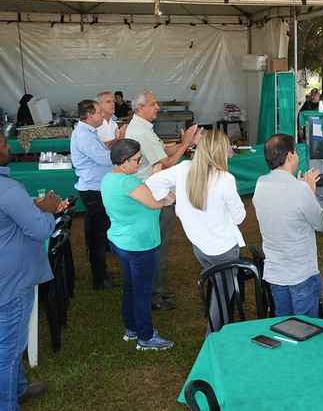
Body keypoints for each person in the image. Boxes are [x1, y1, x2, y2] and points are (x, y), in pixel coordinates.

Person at [146, 130, 246, 331]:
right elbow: (240, 217)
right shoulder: (225, 179)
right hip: (224, 248)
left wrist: (176, 203)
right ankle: (214, 339)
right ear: (219, 151)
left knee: (220, 291)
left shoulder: (184, 168)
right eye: (227, 146)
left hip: (201, 247)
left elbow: (151, 182)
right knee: (222, 299)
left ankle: (219, 333)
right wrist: (177, 203)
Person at [0, 134, 66, 408]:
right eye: (3, 144)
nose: (7, 146)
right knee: (9, 350)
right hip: (12, 283)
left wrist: (33, 208)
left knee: (9, 346)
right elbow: (40, 230)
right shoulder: (8, 189)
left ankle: (18, 389)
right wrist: (48, 213)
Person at [126, 89, 202, 311]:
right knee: (158, 249)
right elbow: (167, 162)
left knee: (157, 248)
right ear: (141, 107)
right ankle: (155, 296)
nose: (157, 107)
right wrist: (187, 143)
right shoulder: (142, 131)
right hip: (156, 197)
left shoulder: (143, 128)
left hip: (153, 194)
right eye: (153, 104)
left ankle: (155, 289)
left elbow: (165, 150)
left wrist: (186, 142)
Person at [101, 139, 173, 350]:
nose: (140, 164)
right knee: (142, 291)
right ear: (124, 161)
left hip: (122, 240)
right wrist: (158, 181)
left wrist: (150, 180)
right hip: (139, 244)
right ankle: (146, 337)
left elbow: (142, 195)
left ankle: (132, 328)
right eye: (137, 160)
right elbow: (156, 202)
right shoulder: (129, 182)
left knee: (131, 287)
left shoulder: (109, 178)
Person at [252, 133, 323, 317]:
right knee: (306, 329)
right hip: (301, 272)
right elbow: (322, 224)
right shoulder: (300, 190)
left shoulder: (261, 183)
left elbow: (284, 203)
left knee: (283, 325)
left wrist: (301, 189)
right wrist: (311, 193)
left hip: (276, 271)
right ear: (290, 156)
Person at [70, 99, 116, 290]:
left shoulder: (87, 132)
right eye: (99, 112)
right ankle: (100, 277)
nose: (102, 115)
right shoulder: (84, 135)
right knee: (98, 235)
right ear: (89, 115)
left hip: (94, 187)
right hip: (93, 189)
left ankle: (101, 272)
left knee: (97, 233)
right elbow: (105, 158)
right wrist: (125, 151)